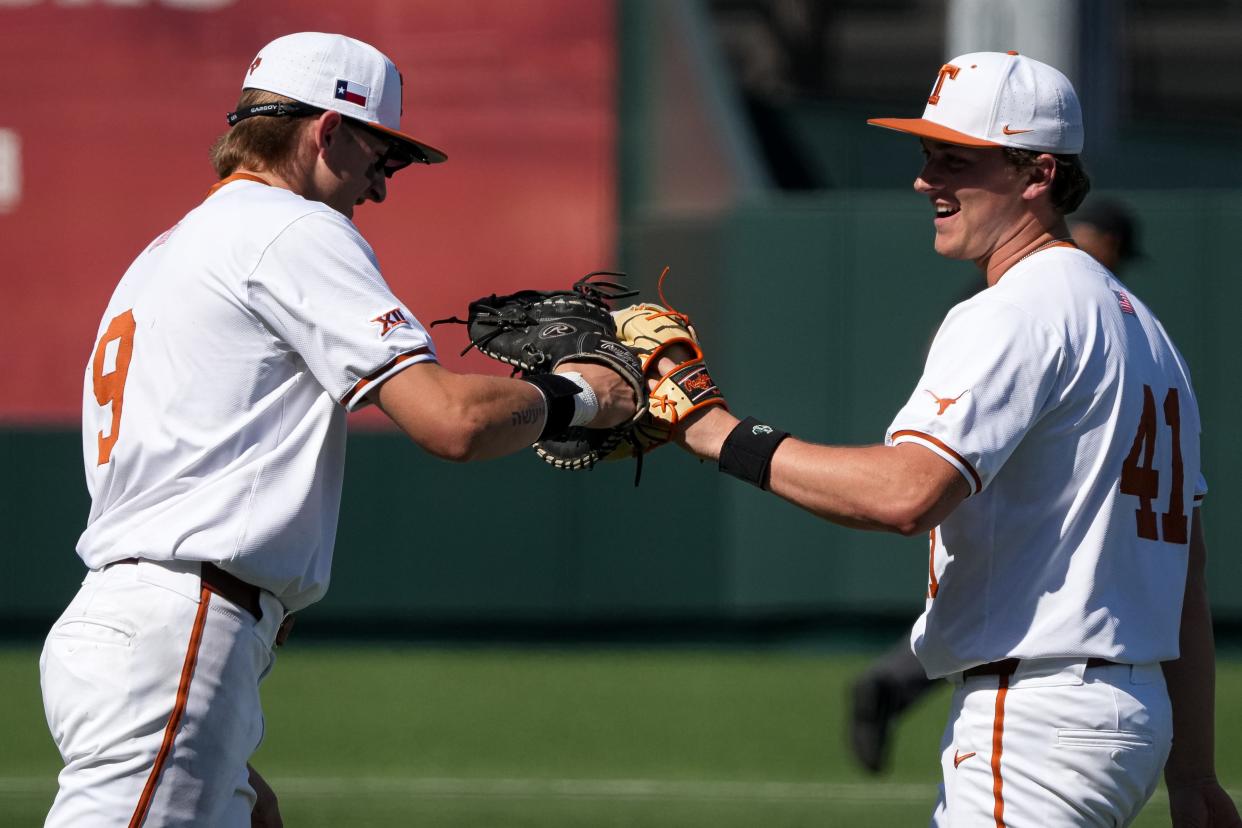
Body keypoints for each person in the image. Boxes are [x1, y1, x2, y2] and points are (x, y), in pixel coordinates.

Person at [38, 32, 638, 828]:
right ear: (327, 132)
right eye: (382, 157)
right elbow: (450, 421)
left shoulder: (168, 251)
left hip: (140, 628)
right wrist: (582, 395)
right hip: (177, 627)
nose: (380, 187)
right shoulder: (289, 228)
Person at [669, 51, 1239, 825]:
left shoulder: (1017, 308)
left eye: (957, 160)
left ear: (1038, 173)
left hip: (1037, 716)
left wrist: (716, 432)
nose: (926, 179)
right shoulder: (1142, 329)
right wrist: (1195, 770)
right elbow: (1187, 571)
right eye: (927, 155)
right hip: (1122, 714)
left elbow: (908, 495)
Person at [848, 196, 1148, 777]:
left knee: (1007, 600)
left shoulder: (1081, 305)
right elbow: (912, 487)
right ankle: (889, 682)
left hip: (1061, 702)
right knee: (1010, 600)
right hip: (1068, 703)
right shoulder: (1037, 304)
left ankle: (889, 682)